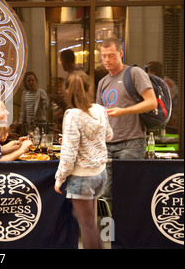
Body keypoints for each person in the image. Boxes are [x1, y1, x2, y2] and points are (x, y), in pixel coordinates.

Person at [54, 71, 113, 249]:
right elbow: (109, 135)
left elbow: (69, 155)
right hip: (100, 174)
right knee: (88, 221)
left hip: (82, 177)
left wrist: (60, 177)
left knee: (87, 225)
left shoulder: (72, 115)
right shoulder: (100, 110)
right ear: (89, 89)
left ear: (67, 91)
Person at [96, 37, 157, 206]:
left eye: (111, 55)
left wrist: (123, 111)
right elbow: (100, 115)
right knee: (106, 194)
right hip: (107, 145)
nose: (107, 60)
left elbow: (152, 102)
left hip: (132, 142)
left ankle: (128, 232)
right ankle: (110, 232)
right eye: (103, 56)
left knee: (129, 193)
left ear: (121, 54)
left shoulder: (134, 73)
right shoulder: (103, 82)